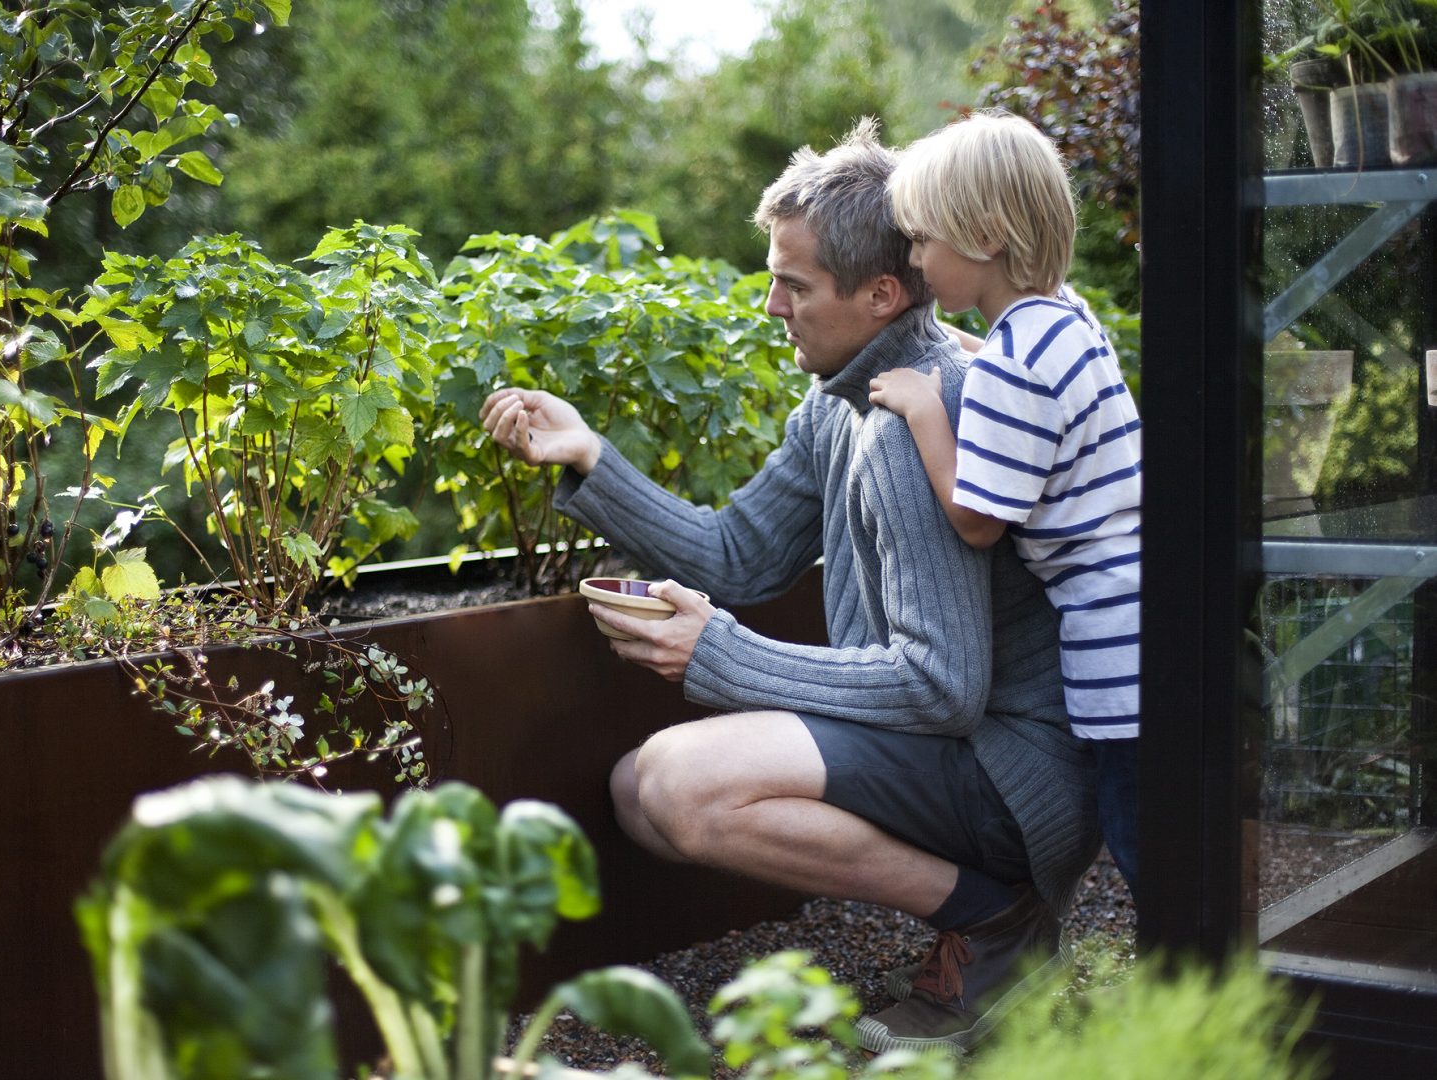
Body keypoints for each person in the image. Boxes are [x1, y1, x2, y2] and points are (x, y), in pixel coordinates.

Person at [479, 118, 1098, 1056]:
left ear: (883, 293)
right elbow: (739, 555)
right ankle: (980, 921)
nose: (773, 305)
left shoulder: (914, 422)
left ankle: (997, 918)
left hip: (1015, 776)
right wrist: (592, 460)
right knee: (640, 791)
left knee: (683, 790)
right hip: (953, 743)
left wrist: (717, 654)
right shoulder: (842, 401)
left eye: (795, 285)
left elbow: (942, 684)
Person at [868, 110, 1141, 896]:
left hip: (1113, 653)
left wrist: (924, 408)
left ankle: (1194, 1001)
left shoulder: (1009, 369)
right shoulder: (1066, 321)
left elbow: (978, 520)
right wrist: (969, 351)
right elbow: (1033, 388)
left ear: (984, 237)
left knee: (1143, 845)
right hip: (1151, 615)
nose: (915, 260)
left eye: (922, 239)